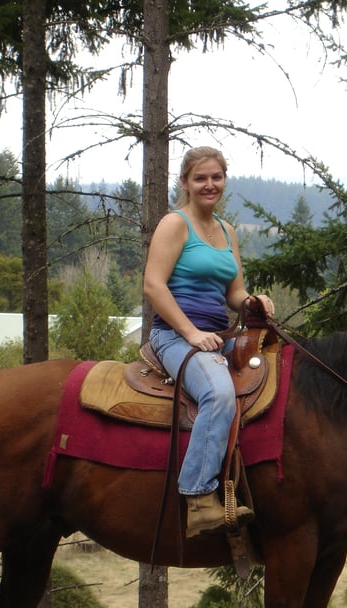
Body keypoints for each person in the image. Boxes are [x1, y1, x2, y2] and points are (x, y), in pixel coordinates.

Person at [143, 146, 275, 538]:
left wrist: (252, 301)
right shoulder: (174, 224)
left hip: (218, 336)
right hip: (173, 335)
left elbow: (234, 291)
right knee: (218, 393)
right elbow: (153, 284)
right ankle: (199, 499)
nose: (209, 184)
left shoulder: (226, 230)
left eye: (216, 177)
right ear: (185, 182)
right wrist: (190, 332)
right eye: (200, 178)